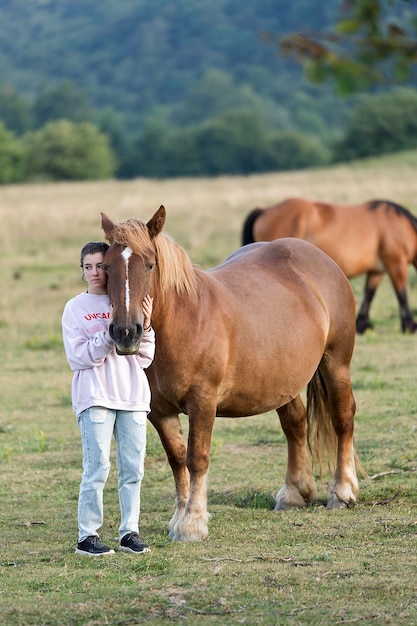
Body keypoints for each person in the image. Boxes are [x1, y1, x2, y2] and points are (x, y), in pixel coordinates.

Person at [62, 241, 155, 556]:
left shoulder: (128, 303)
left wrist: (147, 325)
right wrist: (108, 333)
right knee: (97, 467)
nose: (94, 273)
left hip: (132, 397)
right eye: (87, 267)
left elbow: (144, 359)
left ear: (111, 268)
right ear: (82, 270)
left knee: (133, 469)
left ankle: (130, 533)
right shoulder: (75, 308)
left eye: (100, 266)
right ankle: (87, 536)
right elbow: (79, 358)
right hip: (95, 397)